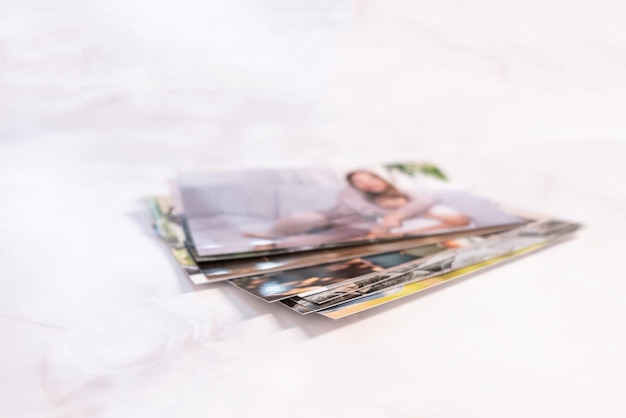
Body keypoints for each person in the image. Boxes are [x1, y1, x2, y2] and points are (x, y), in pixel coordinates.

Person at [248, 170, 470, 247]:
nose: (367, 184)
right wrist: (392, 216)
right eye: (360, 182)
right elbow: (366, 211)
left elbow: (422, 202)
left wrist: (397, 215)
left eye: (370, 179)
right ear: (355, 185)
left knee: (320, 241)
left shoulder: (401, 195)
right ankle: (271, 235)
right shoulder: (352, 194)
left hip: (359, 229)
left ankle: (278, 244)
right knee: (302, 219)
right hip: (334, 217)